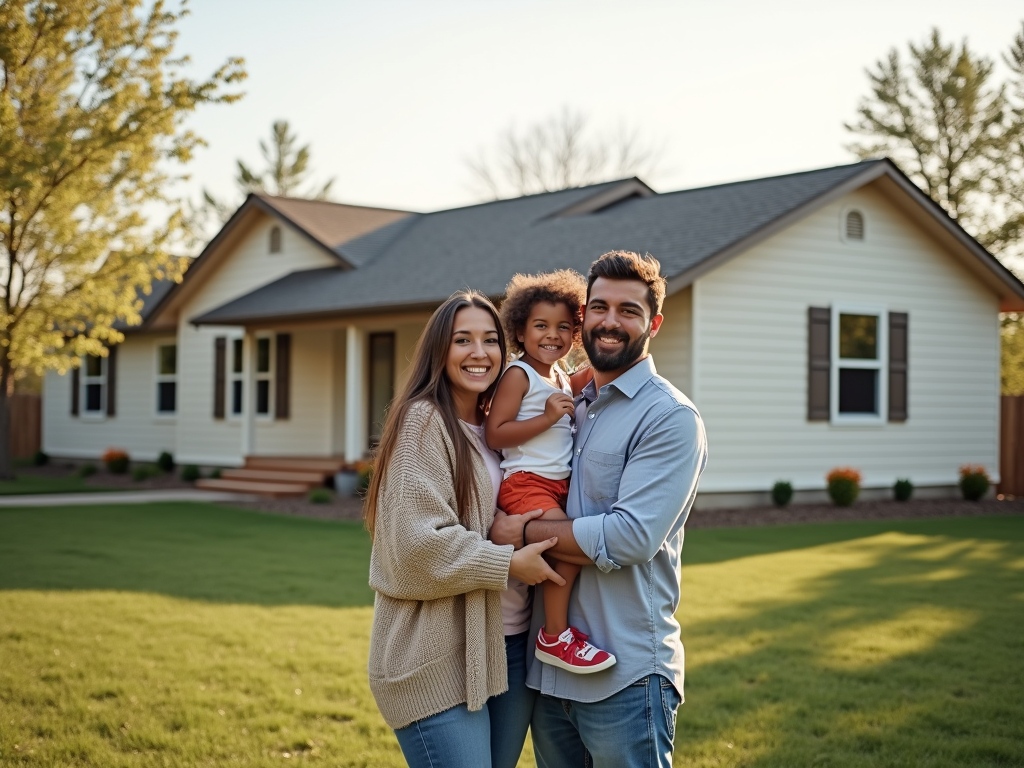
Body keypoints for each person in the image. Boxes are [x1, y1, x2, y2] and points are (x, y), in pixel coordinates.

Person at [490, 251, 709, 768]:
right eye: (600, 307)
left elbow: (629, 538)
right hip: (548, 679)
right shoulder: (572, 398)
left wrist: (514, 533)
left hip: (625, 677)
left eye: (629, 310)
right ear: (583, 316)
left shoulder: (668, 417)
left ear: (653, 323)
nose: (611, 321)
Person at [365, 290, 566, 768]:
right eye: (463, 340)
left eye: (490, 340)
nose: (480, 353)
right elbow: (412, 547)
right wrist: (507, 555)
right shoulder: (424, 422)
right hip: (437, 654)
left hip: (509, 645)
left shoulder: (498, 424)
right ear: (440, 350)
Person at [485, 269, 615, 674]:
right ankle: (554, 636)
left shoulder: (556, 375)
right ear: (519, 332)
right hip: (526, 483)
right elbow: (496, 433)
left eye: (563, 327)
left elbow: (581, 379)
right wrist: (544, 420)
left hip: (556, 486)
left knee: (569, 552)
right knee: (573, 549)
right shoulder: (517, 375)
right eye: (540, 325)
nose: (552, 335)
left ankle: (552, 629)